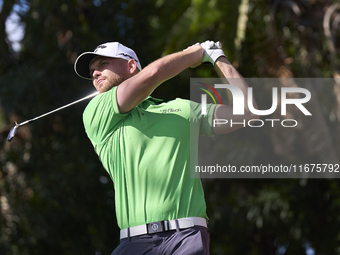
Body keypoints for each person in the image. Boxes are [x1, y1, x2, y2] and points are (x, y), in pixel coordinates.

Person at [74, 40, 257, 254]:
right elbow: (153, 74)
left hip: (187, 237)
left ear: (131, 66)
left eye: (103, 64)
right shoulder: (97, 111)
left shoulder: (182, 109)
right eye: (92, 70)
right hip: (134, 242)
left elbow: (246, 112)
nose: (95, 73)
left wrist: (218, 58)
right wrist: (195, 54)